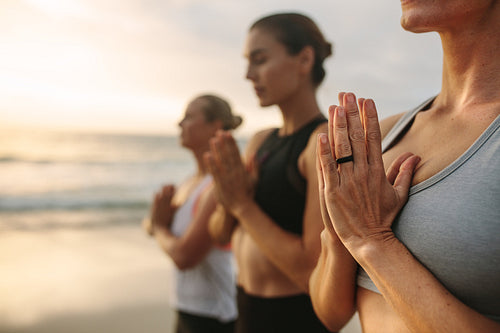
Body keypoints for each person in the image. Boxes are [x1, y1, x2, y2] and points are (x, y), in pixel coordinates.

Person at [310, 1, 500, 332]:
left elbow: (367, 239)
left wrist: (372, 240)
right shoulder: (385, 132)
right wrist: (340, 236)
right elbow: (331, 314)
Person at [205, 13, 333, 333]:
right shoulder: (260, 141)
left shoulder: (323, 143)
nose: (248, 75)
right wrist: (228, 199)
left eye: (259, 60)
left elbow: (311, 271)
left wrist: (243, 206)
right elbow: (220, 235)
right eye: (247, 62)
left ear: (304, 60)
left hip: (294, 318)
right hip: (245, 308)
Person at [143, 94, 242, 333]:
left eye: (188, 117)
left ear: (215, 126)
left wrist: (158, 227)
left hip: (214, 318)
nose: (180, 124)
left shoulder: (217, 185)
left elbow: (184, 256)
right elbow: (151, 224)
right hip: (186, 309)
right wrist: (157, 223)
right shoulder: (190, 182)